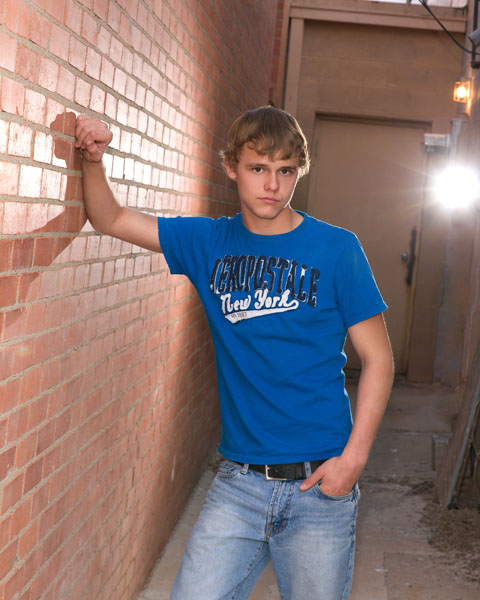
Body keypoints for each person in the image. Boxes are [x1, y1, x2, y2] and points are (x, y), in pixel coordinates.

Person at [75, 106, 394, 600]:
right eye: (258, 168)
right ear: (231, 167)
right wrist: (92, 160)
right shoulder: (208, 242)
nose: (272, 185)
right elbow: (110, 217)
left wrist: (354, 459)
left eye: (285, 170)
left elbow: (379, 360)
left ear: (299, 173)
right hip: (239, 483)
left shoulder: (337, 249)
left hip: (320, 483)